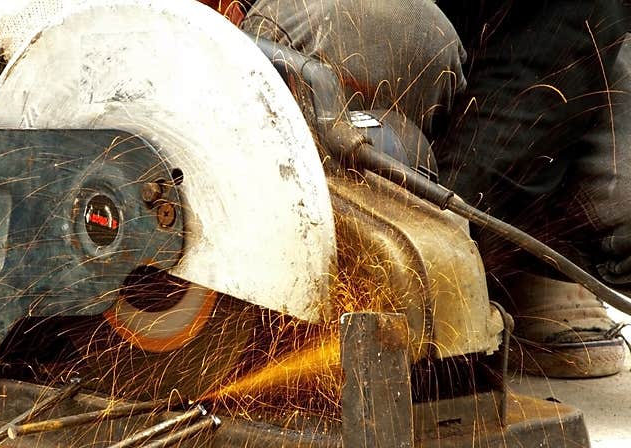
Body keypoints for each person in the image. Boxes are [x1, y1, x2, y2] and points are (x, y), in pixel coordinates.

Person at [233, 0, 631, 378]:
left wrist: (457, 237)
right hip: (343, 29)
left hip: (491, 37)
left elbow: (559, 33)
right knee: (399, 33)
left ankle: (526, 271)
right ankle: (300, 274)